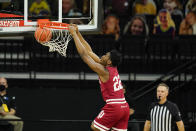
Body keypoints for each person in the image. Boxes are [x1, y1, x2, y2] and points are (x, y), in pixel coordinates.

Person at [69, 25, 130, 131]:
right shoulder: (111, 68)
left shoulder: (104, 71)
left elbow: (84, 56)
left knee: (95, 127)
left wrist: (73, 34)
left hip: (114, 107)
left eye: (106, 55)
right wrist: (78, 34)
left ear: (109, 61)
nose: (103, 56)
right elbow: (89, 51)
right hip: (124, 106)